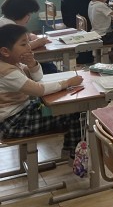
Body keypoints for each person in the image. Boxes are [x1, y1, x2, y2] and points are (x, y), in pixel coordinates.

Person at [0, 24, 84, 161]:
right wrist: (67, 83)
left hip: (22, 114)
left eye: (28, 42)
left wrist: (32, 63)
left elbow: (38, 77)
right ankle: (74, 156)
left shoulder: (12, 63)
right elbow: (39, 90)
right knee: (73, 110)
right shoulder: (6, 72)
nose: (29, 47)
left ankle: (70, 152)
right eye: (23, 44)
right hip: (14, 123)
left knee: (66, 107)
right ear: (5, 51)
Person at [1, 0, 56, 74]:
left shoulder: (4, 21)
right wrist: (37, 43)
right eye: (28, 14)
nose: (29, 18)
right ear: (19, 13)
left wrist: (30, 35)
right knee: (49, 68)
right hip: (11, 66)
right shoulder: (7, 27)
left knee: (48, 66)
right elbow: (13, 49)